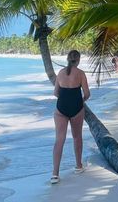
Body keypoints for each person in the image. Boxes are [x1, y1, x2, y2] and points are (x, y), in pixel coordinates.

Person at [51, 50, 90, 184]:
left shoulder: (61, 73)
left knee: (59, 140)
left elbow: (56, 93)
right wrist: (80, 101)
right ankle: (78, 166)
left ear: (67, 59)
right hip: (76, 108)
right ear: (78, 60)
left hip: (61, 108)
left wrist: (65, 100)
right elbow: (87, 94)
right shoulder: (81, 73)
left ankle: (55, 174)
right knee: (77, 136)